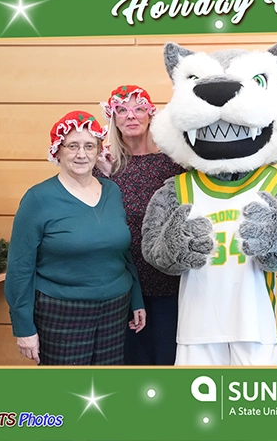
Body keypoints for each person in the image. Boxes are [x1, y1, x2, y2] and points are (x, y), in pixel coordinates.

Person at [5, 111, 145, 365]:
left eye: (89, 146)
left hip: (115, 309)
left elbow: (123, 251)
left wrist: (136, 299)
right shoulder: (38, 199)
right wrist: (23, 327)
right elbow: (19, 268)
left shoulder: (112, 191)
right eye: (72, 146)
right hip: (60, 313)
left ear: (98, 151)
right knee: (66, 387)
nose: (82, 154)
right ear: (58, 151)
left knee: (107, 386)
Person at [95, 85, 186, 365]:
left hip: (169, 279)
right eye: (122, 110)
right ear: (113, 118)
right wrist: (104, 176)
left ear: (150, 114)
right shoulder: (104, 165)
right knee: (131, 362)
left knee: (169, 358)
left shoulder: (174, 163)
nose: (131, 116)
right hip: (123, 280)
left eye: (138, 108)